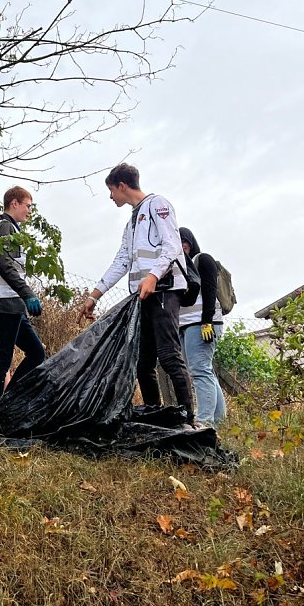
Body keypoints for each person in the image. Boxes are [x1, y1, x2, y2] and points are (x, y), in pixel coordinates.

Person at [78, 163, 195, 424]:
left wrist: (153, 276)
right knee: (143, 362)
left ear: (122, 186)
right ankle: (155, 415)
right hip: (143, 297)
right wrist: (94, 295)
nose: (111, 197)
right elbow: (122, 260)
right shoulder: (132, 223)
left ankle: (188, 417)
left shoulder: (158, 205)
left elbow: (172, 245)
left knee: (168, 355)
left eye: (111, 191)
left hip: (164, 291)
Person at [0, 187, 45, 404]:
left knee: (36, 352)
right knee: (1, 360)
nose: (30, 211)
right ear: (14, 203)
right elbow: (5, 265)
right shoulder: (5, 227)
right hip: (3, 302)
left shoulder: (12, 230)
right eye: (28, 206)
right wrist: (28, 294)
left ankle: (8, 402)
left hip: (11, 304)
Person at [178, 227, 226, 428]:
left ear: (190, 241)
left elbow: (209, 290)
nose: (181, 246)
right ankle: (218, 419)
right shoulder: (178, 266)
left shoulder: (202, 259)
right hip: (186, 325)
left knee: (200, 370)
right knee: (203, 370)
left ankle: (205, 421)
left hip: (202, 323)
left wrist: (207, 321)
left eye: (184, 241)